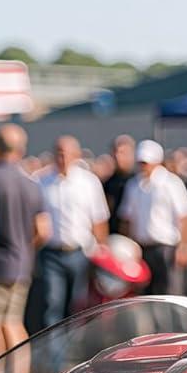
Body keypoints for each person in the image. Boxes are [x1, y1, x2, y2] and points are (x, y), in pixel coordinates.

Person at [0, 124, 46, 373]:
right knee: (14, 322)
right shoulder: (31, 183)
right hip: (22, 262)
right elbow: (43, 230)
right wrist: (25, 248)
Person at [34, 136, 109, 330]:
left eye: (66, 154)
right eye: (59, 154)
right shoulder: (42, 182)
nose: (62, 158)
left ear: (76, 155)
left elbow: (99, 219)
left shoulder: (88, 182)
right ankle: (55, 356)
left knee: (78, 305)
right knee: (53, 303)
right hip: (52, 252)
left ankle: (73, 351)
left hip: (80, 252)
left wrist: (100, 250)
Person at [119, 140, 187, 296]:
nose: (143, 166)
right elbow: (127, 218)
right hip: (142, 247)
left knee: (171, 293)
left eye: (146, 162)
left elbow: (185, 217)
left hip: (167, 247)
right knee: (145, 294)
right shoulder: (133, 185)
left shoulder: (171, 183)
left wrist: (184, 246)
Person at [103, 135, 135, 222]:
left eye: (122, 153)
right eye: (116, 152)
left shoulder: (137, 183)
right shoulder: (108, 184)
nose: (118, 157)